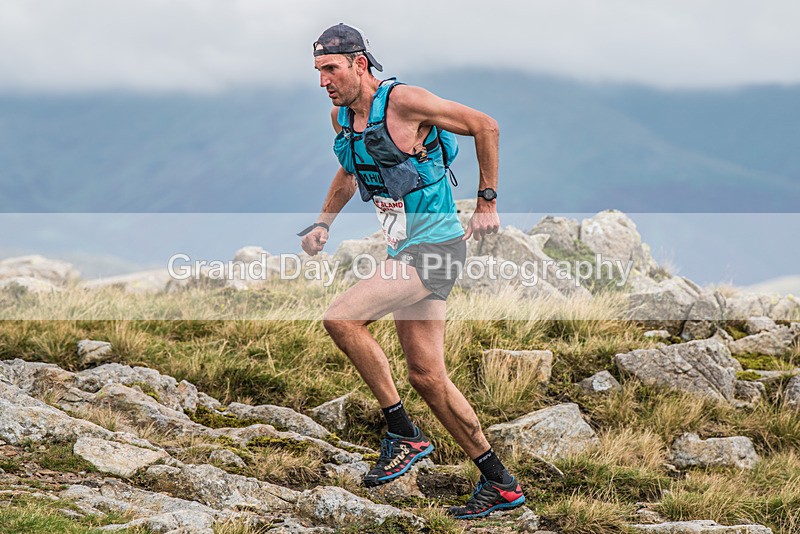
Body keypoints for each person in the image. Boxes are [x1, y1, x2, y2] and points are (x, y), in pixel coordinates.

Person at [299, 23, 525, 519]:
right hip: (409, 250)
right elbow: (351, 168)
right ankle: (500, 483)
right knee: (428, 377)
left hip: (436, 249)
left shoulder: (405, 101)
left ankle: (403, 432)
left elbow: (485, 125)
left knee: (341, 319)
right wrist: (323, 222)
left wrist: (486, 202)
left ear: (360, 64)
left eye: (331, 69)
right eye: (318, 71)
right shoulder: (342, 116)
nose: (323, 81)